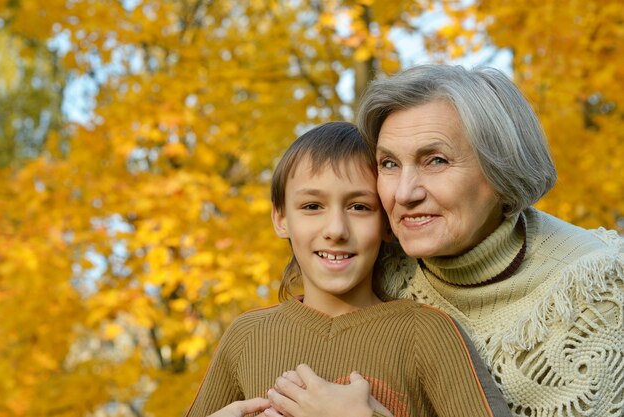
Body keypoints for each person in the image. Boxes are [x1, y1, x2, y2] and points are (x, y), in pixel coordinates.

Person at [266, 65, 624, 417]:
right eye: (389, 163)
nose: (404, 193)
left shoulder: (599, 292)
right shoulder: (376, 261)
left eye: (435, 161)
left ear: (501, 170)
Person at [184, 121, 512, 417]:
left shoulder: (426, 333)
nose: (336, 229)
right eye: (312, 206)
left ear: (386, 222)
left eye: (359, 207)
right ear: (281, 218)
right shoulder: (246, 336)